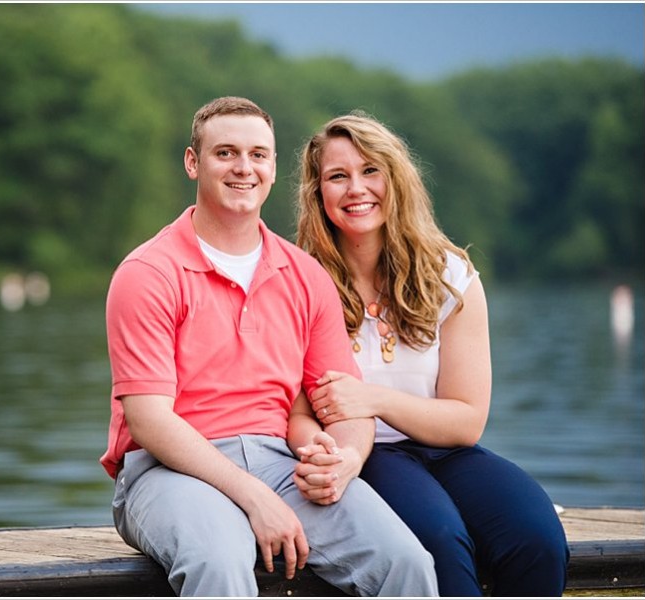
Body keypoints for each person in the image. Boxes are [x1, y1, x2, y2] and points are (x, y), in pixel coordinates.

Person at [100, 97, 438, 597]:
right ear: (193, 162)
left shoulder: (305, 275)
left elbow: (344, 403)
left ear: (274, 168)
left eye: (258, 155)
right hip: (167, 470)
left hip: (281, 465)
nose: (244, 168)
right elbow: (150, 421)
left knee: (406, 561)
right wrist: (253, 496)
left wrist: (344, 460)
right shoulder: (148, 273)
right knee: (218, 562)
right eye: (226, 153)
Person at [292, 111, 570, 596]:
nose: (356, 188)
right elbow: (295, 412)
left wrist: (374, 399)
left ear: (397, 179)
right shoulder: (298, 281)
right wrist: (325, 455)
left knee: (537, 538)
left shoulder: (449, 276)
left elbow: (466, 421)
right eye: (338, 176)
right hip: (366, 455)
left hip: (448, 450)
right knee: (440, 538)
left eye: (371, 170)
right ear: (318, 193)